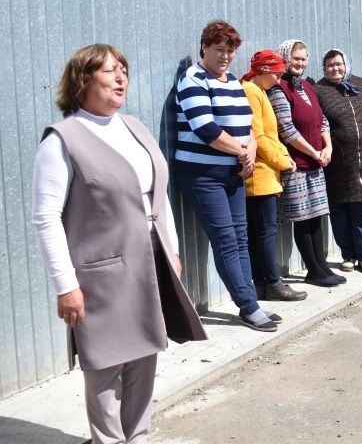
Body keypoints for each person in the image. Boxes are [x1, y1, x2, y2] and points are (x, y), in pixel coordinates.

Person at [32, 44, 207, 443]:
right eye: (110, 70)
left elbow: (158, 195)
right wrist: (66, 285)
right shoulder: (62, 141)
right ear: (83, 80)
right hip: (100, 273)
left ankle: (138, 435)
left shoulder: (134, 127)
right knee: (106, 366)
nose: (121, 77)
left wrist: (174, 249)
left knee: (146, 354)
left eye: (123, 69)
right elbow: (45, 219)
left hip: (151, 262)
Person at [174, 20, 282, 332]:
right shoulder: (192, 79)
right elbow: (206, 129)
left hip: (233, 171)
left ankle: (251, 303)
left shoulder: (232, 81)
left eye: (230, 51)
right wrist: (241, 151)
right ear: (204, 48)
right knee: (225, 239)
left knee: (240, 236)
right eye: (219, 49)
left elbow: (247, 121)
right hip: (202, 173)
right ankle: (248, 307)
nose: (225, 56)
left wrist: (249, 150)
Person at [269, 40, 344, 287]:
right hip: (296, 165)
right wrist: (314, 152)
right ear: (284, 58)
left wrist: (328, 148)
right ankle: (314, 270)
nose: (299, 63)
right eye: (295, 58)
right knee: (303, 219)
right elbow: (286, 129)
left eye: (303, 58)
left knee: (317, 217)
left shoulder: (307, 87)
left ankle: (322, 266)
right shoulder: (279, 89)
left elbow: (322, 121)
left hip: (315, 162)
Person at [311, 48, 362, 275]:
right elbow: (316, 123)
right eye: (330, 65)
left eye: (338, 64)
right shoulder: (319, 91)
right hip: (338, 163)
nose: (335, 68)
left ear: (346, 64)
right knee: (340, 210)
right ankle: (348, 255)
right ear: (324, 68)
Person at [241, 50, 309, 302]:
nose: (280, 79)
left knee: (260, 231)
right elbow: (258, 136)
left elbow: (270, 135)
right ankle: (273, 282)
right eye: (277, 73)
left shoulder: (257, 91)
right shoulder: (251, 91)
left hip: (266, 171)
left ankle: (262, 283)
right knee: (265, 231)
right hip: (260, 174)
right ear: (264, 71)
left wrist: (281, 156)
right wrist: (282, 160)